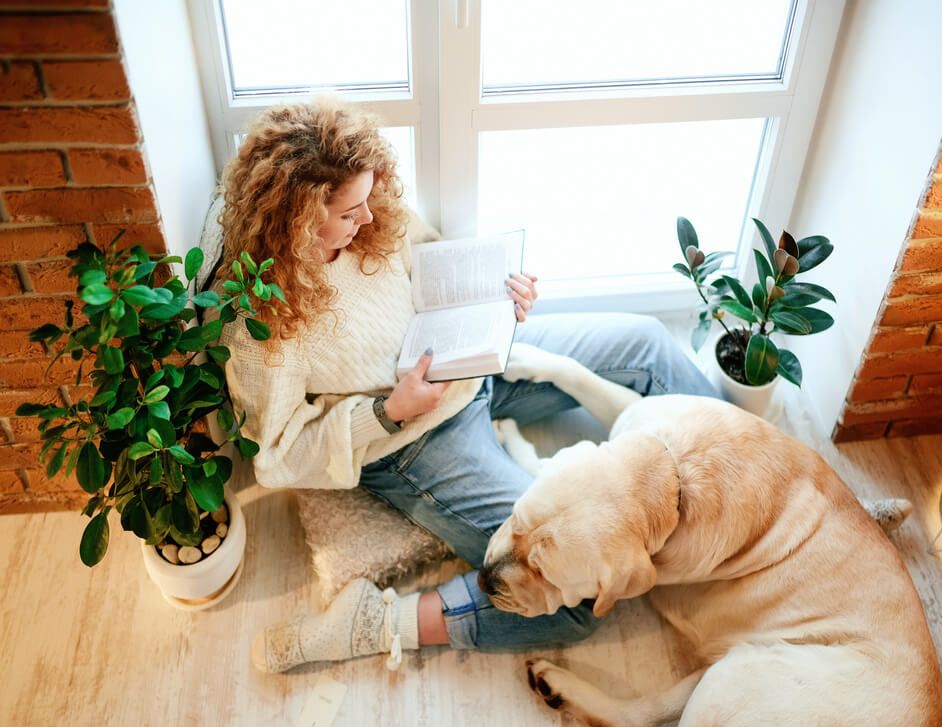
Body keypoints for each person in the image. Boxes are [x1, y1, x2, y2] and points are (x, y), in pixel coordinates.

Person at [217, 97, 719, 673]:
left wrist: (501, 302)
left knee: (649, 344)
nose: (370, 220)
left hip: (476, 365)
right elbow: (276, 456)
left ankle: (742, 471)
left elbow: (433, 265)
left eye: (368, 201)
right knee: (575, 600)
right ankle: (379, 624)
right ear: (300, 215)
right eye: (350, 212)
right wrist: (388, 413)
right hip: (416, 441)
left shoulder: (373, 216)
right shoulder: (263, 324)